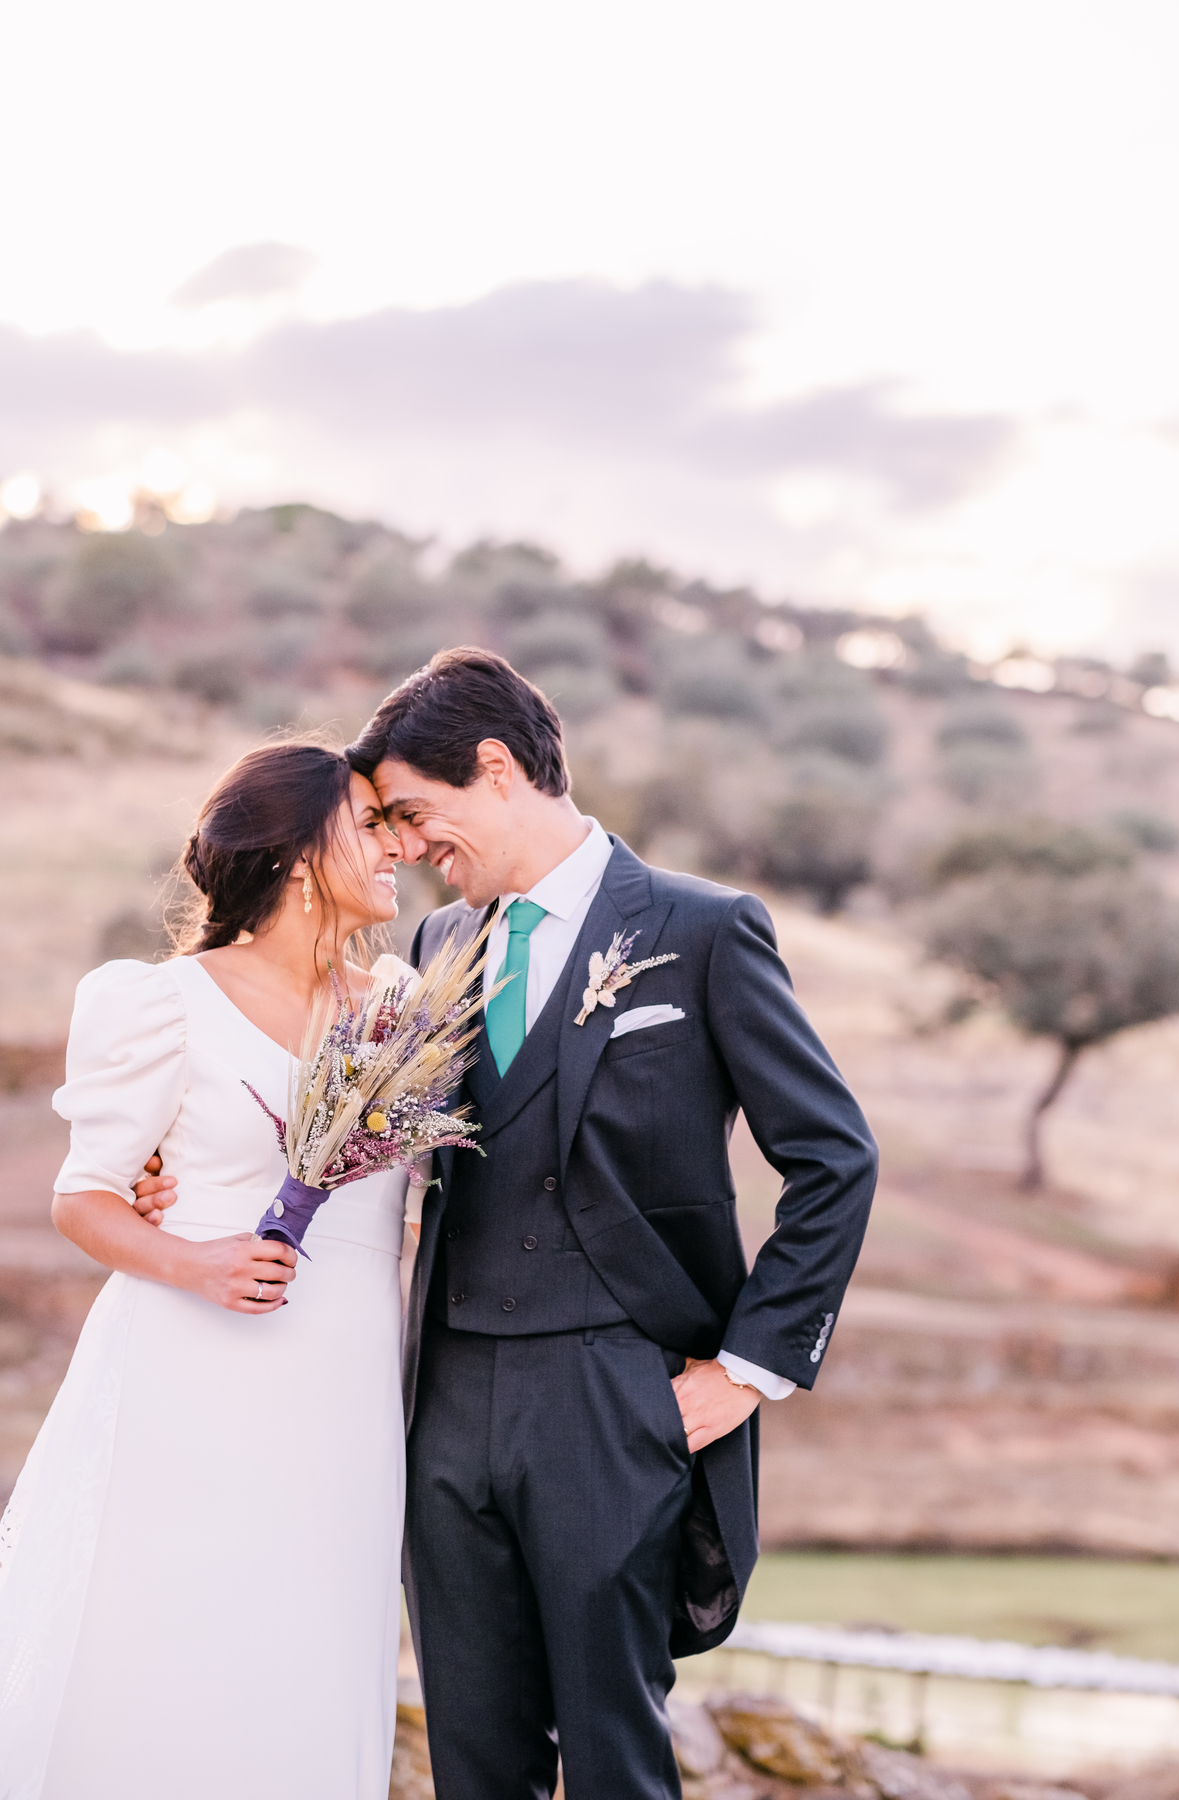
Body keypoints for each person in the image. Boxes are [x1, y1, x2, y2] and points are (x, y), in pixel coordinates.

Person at [344, 647, 879, 1800]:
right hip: (447, 1400)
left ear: (495, 768)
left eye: (412, 813)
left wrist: (747, 1372)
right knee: (473, 1758)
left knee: (615, 1758)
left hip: (613, 1397)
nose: (403, 845)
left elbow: (835, 1158)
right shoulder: (441, 947)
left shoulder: (703, 929)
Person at [0, 743, 411, 1800]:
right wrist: (192, 1260)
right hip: (188, 1372)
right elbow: (84, 1199)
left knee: (312, 1645)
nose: (396, 844)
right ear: (302, 855)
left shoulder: (404, 1009)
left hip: (348, 1392)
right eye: (369, 823)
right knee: (166, 1638)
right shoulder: (164, 1003)